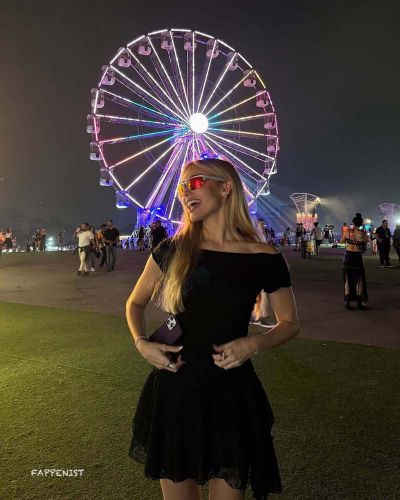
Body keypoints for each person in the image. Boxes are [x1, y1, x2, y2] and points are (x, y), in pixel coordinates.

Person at [126, 158, 300, 500]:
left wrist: (254, 344)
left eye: (194, 183)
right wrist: (141, 343)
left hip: (231, 392)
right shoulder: (172, 250)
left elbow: (291, 324)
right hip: (175, 388)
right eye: (181, 187)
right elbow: (134, 304)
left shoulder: (264, 257)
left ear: (225, 188)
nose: (184, 193)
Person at [339, 213, 369, 310]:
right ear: (361, 223)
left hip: (348, 257)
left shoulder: (348, 231)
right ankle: (359, 303)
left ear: (353, 222)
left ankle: (347, 302)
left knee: (347, 280)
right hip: (357, 257)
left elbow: (341, 241)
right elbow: (366, 243)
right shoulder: (364, 234)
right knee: (359, 280)